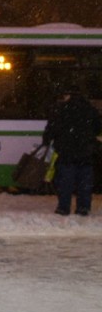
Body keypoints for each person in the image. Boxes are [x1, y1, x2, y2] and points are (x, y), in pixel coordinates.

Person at [42, 85, 101, 216]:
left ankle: (63, 208)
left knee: (65, 182)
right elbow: (97, 129)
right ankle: (83, 208)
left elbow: (51, 128)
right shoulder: (90, 110)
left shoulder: (61, 110)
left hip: (66, 152)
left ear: (69, 95)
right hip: (86, 152)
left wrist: (47, 140)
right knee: (84, 183)